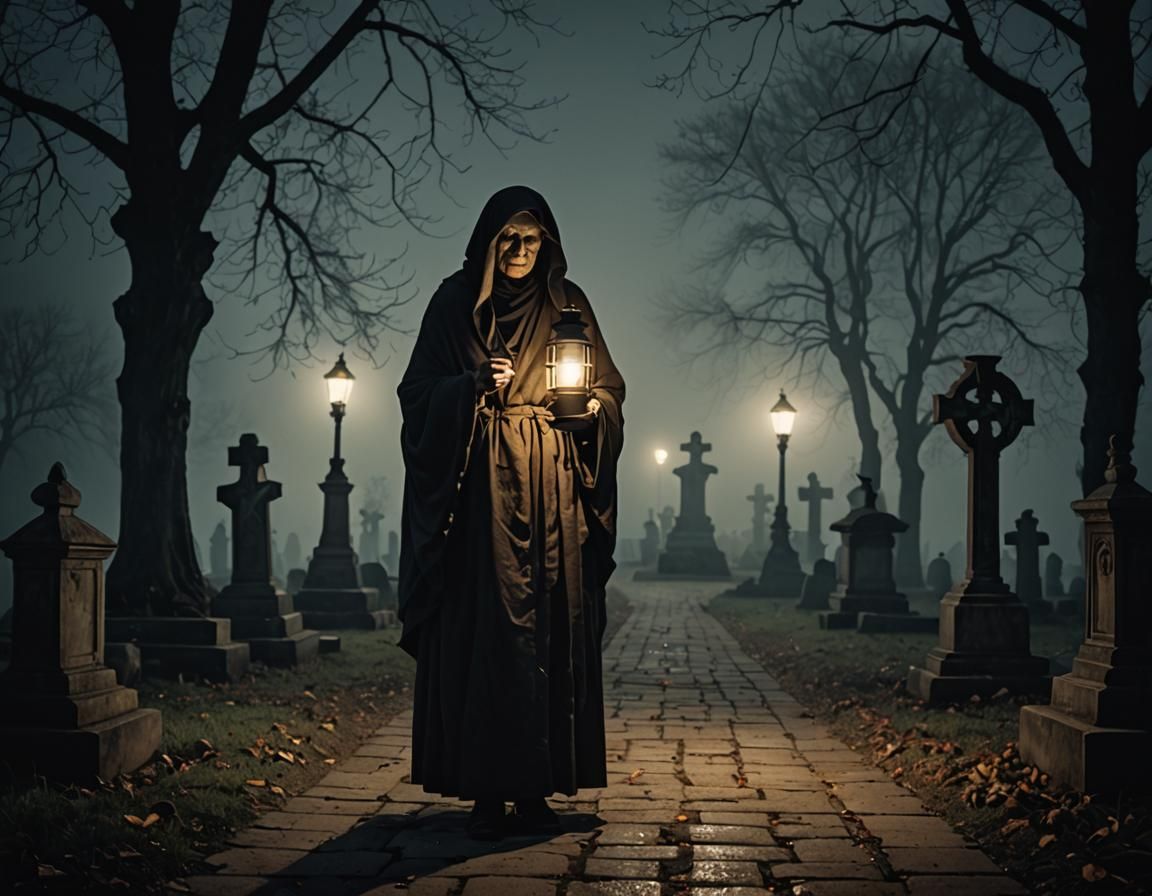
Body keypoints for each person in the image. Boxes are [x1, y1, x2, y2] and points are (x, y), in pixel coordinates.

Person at [397, 186, 625, 839]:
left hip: (553, 486)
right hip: (481, 497)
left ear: (548, 243)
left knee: (549, 628)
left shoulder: (568, 303)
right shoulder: (454, 304)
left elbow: (609, 389)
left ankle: (536, 787)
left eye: (532, 238)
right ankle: (485, 791)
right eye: (509, 238)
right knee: (490, 632)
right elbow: (416, 395)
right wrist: (469, 387)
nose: (521, 250)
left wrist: (591, 410)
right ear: (488, 242)